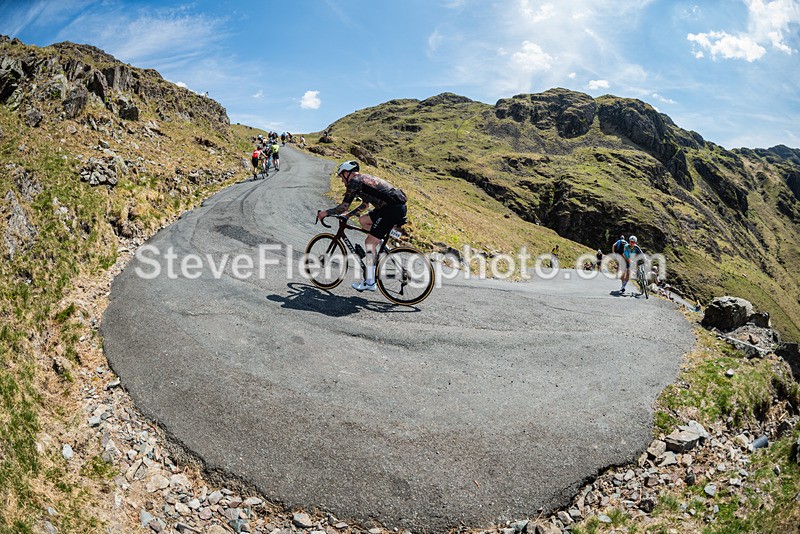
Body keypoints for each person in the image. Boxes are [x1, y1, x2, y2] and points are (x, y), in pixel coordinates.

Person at [317, 160, 407, 292]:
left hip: (391, 209)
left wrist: (325, 213)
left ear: (347, 173)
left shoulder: (354, 182)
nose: (342, 181)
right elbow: (365, 205)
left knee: (369, 242)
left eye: (341, 176)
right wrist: (349, 215)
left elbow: (343, 206)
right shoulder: (362, 180)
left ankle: (370, 282)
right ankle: (379, 241)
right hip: (390, 207)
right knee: (364, 221)